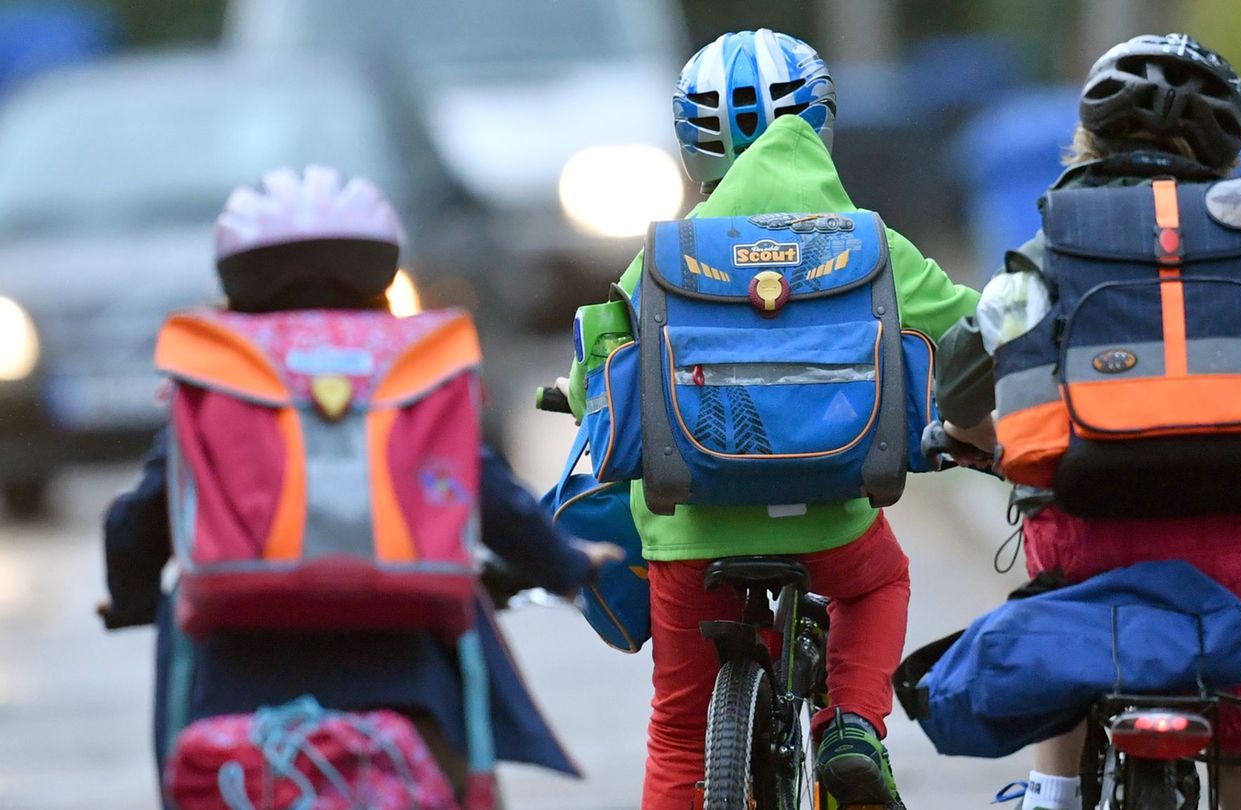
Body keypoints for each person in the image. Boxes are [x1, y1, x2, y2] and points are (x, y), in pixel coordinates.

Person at [934, 34, 1241, 810]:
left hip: (1084, 543)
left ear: (1089, 137)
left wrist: (974, 439)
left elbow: (962, 380)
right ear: (1223, 150)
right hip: (1228, 563)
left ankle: (1054, 790)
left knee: (1060, 625)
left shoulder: (1053, 244)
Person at [100, 165, 621, 808]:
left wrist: (128, 598)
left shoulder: (219, 372)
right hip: (410, 686)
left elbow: (138, 518)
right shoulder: (413, 363)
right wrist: (566, 565)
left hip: (234, 687)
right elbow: (484, 492)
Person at [561, 28, 978, 810]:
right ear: (820, 121)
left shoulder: (663, 255)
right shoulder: (869, 245)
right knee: (881, 579)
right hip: (829, 526)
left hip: (692, 536)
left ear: (695, 145)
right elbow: (972, 337)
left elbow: (601, 379)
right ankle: (853, 725)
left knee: (681, 735)